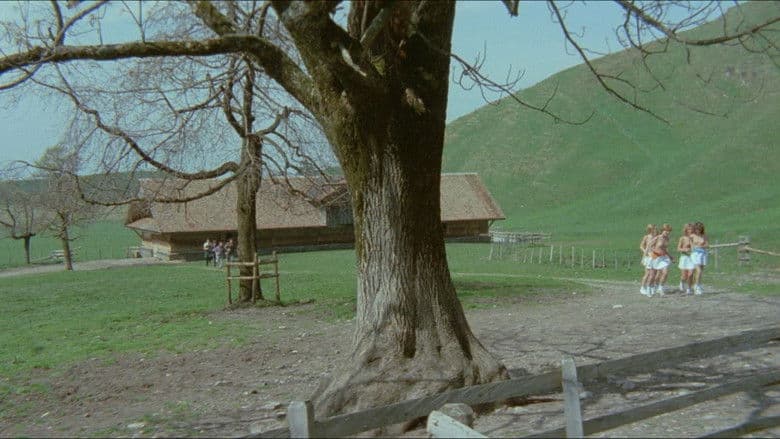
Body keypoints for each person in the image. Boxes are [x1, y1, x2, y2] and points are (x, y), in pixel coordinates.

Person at [649, 224, 673, 296]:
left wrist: (670, 256)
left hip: (664, 258)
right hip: (656, 257)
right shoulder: (657, 238)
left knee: (665, 272)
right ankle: (652, 287)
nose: (667, 232)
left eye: (669, 231)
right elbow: (650, 246)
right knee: (654, 275)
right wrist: (653, 252)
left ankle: (660, 288)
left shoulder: (667, 239)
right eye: (666, 230)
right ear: (662, 231)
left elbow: (665, 249)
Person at [639, 224, 658, 297]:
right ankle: (643, 287)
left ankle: (651, 286)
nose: (656, 230)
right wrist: (646, 253)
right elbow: (641, 246)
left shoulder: (656, 237)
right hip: (648, 256)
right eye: (654, 229)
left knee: (654, 273)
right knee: (648, 273)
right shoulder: (647, 237)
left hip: (655, 256)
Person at [690, 221, 709, 295]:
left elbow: (707, 245)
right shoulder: (692, 236)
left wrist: (701, 246)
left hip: (703, 253)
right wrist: (693, 248)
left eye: (700, 229)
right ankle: (697, 286)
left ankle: (697, 284)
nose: (698, 230)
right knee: (699, 270)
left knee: (700, 271)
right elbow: (691, 246)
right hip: (695, 254)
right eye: (697, 229)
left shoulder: (704, 236)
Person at [677, 223, 695, 295]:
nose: (690, 231)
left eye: (692, 229)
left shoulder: (695, 238)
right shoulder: (682, 238)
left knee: (690, 274)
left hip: (692, 258)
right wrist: (684, 250)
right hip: (684, 258)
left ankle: (689, 289)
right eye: (689, 229)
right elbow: (678, 248)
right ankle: (682, 282)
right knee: (684, 276)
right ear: (686, 230)